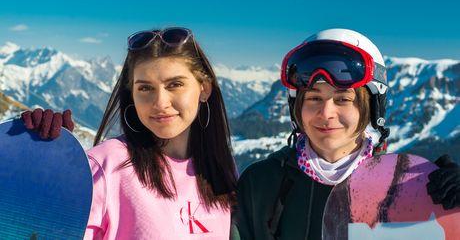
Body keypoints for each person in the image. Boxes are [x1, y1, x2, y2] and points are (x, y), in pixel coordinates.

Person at [233, 28, 460, 239]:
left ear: (372, 107)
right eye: (314, 98)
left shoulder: (401, 185)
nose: (326, 112)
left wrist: (448, 210)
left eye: (343, 99)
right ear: (297, 107)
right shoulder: (260, 184)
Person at [24, 27, 237, 239]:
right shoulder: (104, 166)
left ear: (204, 88)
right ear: (132, 95)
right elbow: (40, 230)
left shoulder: (219, 170)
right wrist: (43, 172)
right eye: (145, 88)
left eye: (175, 84)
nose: (160, 102)